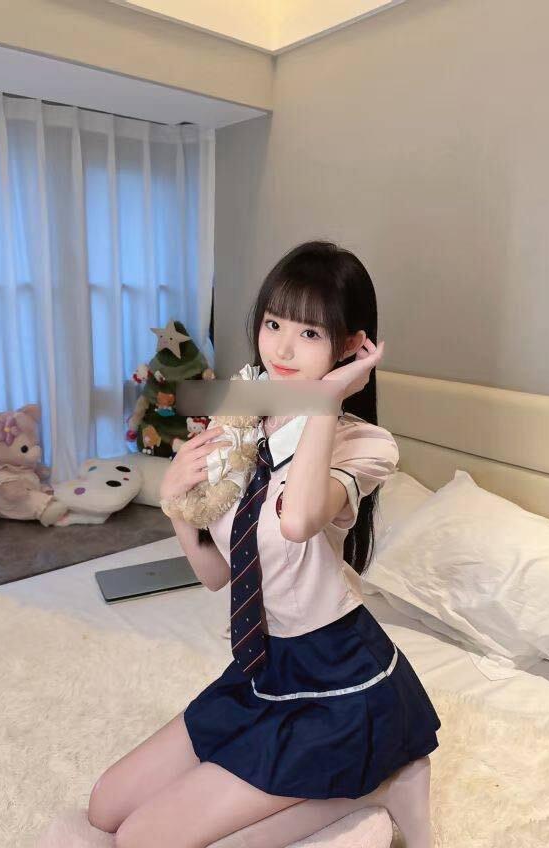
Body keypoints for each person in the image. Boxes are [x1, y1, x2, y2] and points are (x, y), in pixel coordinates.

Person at [87, 241, 441, 848]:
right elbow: (217, 576)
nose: (281, 349)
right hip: (263, 669)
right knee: (104, 808)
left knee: (142, 838)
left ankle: (376, 787)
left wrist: (326, 400)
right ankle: (357, 786)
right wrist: (176, 504)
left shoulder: (365, 445)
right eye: (274, 324)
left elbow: (299, 521)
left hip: (338, 683)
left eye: (310, 333)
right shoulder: (242, 420)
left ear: (351, 346)